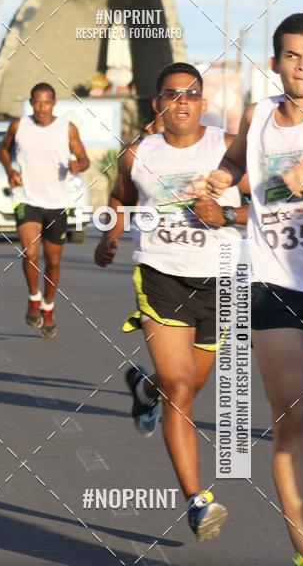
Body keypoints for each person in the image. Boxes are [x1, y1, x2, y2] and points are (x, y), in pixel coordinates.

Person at [95, 62, 248, 541]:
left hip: (220, 281)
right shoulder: (137, 154)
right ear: (157, 104)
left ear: (203, 103)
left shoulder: (226, 147)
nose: (181, 102)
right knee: (180, 392)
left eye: (191, 94)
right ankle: (198, 501)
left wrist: (223, 213)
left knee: (186, 385)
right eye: (171, 94)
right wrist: (111, 236)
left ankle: (145, 389)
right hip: (161, 277)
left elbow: (264, 205)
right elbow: (119, 198)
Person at [206, 13, 303, 566]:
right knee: (291, 421)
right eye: (293, 55)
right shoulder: (256, 118)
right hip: (275, 285)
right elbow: (234, 164)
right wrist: (216, 185)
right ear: (275, 61)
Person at [0, 82, 90, 337]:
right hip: (26, 198)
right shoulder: (19, 126)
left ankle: (48, 307)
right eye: (37, 102)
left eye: (46, 102)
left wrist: (77, 166)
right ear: (31, 103)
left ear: (54, 103)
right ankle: (33, 298)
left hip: (57, 202)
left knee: (53, 261)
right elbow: (3, 149)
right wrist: (10, 170)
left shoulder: (66, 128)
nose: (41, 108)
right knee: (30, 254)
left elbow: (84, 158)